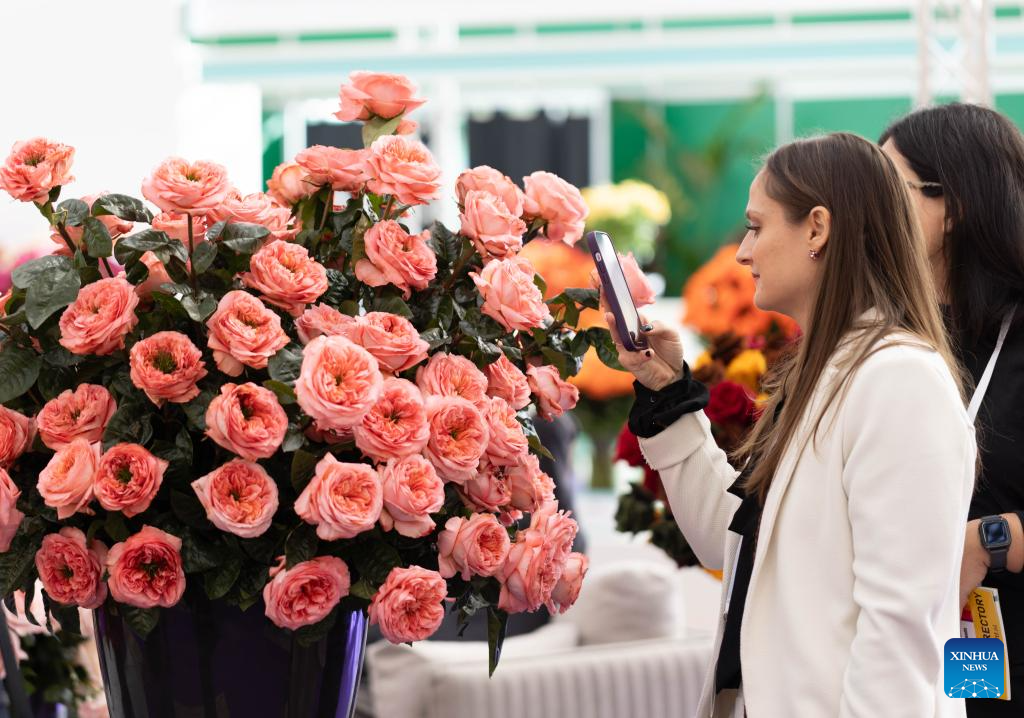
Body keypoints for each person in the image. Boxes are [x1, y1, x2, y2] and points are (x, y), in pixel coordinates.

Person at [601, 132, 976, 717]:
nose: (742, 252)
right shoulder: (825, 374)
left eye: (755, 226)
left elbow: (900, 631)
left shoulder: (899, 380)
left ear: (817, 229)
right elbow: (730, 538)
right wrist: (668, 390)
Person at [880, 103, 1024, 715]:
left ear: (956, 205)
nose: (871, 211)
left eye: (890, 189)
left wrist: (991, 540)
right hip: (917, 666)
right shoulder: (893, 339)